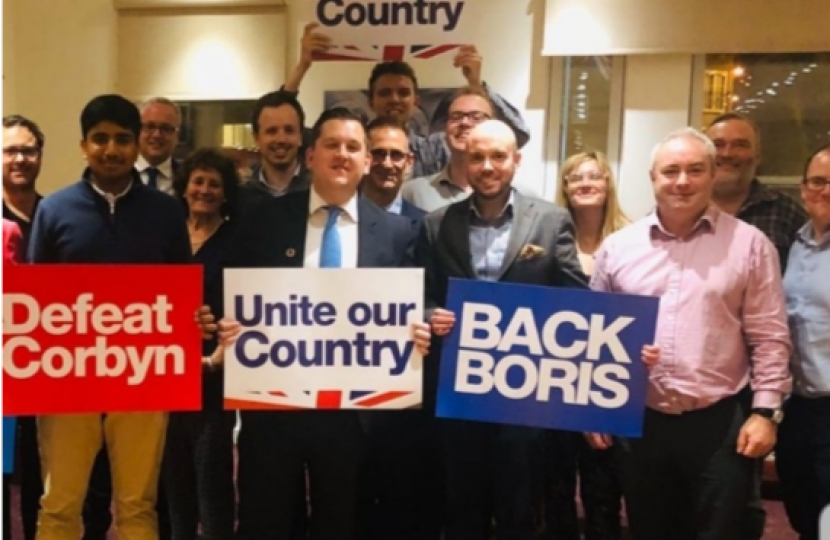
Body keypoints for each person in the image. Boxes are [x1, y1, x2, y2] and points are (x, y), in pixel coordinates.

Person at [212, 108, 430, 540]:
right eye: (332, 144)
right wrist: (224, 322)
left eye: (353, 147)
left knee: (342, 520)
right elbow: (227, 288)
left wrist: (420, 326)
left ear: (367, 161)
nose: (342, 155)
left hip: (354, 413)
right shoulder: (263, 219)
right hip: (275, 403)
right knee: (266, 518)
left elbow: (416, 303)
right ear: (310, 156)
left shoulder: (397, 232)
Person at [587, 127, 792, 540]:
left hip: (720, 423)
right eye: (672, 170)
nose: (682, 181)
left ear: (713, 173)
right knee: (649, 528)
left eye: (695, 170)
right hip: (640, 420)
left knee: (722, 531)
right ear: (653, 177)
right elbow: (596, 336)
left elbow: (769, 335)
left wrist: (765, 412)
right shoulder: (618, 248)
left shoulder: (750, 245)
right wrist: (595, 408)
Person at [28, 94, 192, 540]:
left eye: (122, 139)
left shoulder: (166, 212)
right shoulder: (55, 210)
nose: (111, 149)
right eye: (100, 139)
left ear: (138, 145)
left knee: (138, 505)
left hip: (143, 376)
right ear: (83, 145)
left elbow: (182, 290)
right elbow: (34, 300)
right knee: (60, 503)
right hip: (68, 378)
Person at [416, 120, 589, 539]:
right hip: (459, 391)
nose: (487, 166)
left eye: (497, 156)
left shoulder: (551, 221)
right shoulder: (437, 224)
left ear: (516, 160)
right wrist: (433, 313)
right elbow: (420, 293)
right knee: (462, 507)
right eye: (477, 157)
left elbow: (576, 300)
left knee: (520, 509)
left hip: (524, 395)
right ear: (464, 162)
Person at [283, 22, 530, 177]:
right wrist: (301, 68)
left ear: (416, 101)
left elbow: (517, 134)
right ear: (370, 101)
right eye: (385, 93)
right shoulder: (349, 146)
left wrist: (477, 86)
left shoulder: (435, 149)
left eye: (403, 93)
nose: (394, 99)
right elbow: (287, 133)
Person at [545, 151, 628, 539]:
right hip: (555, 384)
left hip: (610, 387)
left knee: (604, 494)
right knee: (555, 491)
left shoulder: (633, 239)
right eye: (575, 177)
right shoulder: (544, 239)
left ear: (608, 183)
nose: (585, 183)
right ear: (565, 187)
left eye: (594, 175)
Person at [162, 148, 241, 540]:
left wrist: (215, 358)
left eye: (214, 184)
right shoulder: (167, 233)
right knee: (173, 478)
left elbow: (245, 307)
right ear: (184, 186)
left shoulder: (237, 241)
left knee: (211, 477)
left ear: (226, 193)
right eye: (198, 181)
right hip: (167, 375)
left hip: (214, 374)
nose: (205, 190)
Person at [777, 143, 830, 540]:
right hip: (798, 405)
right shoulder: (798, 243)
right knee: (802, 505)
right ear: (803, 188)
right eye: (818, 181)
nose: (826, 191)